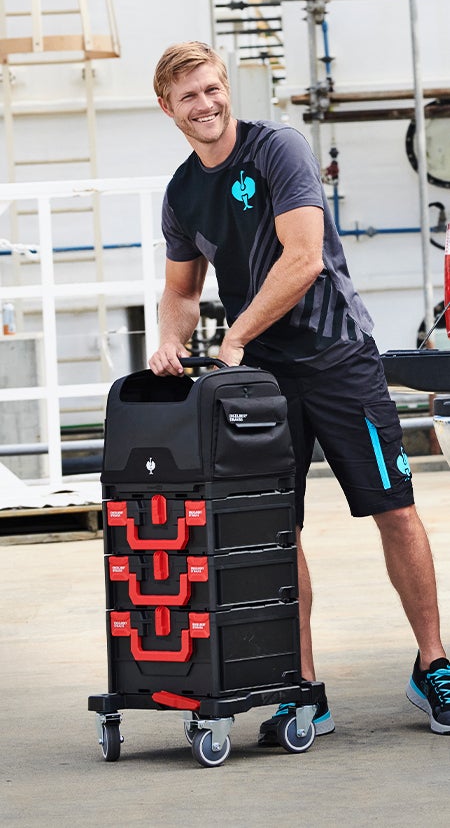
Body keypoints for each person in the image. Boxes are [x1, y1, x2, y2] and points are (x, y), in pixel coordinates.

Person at [148, 40, 450, 739]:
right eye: (189, 96)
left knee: (395, 509)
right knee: (277, 528)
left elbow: (305, 258)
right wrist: (169, 339)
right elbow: (181, 291)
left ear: (226, 87)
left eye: (212, 88)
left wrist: (234, 337)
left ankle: (433, 664)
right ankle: (301, 685)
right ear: (168, 108)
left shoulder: (276, 149)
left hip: (337, 357)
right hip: (261, 382)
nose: (205, 104)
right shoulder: (182, 193)